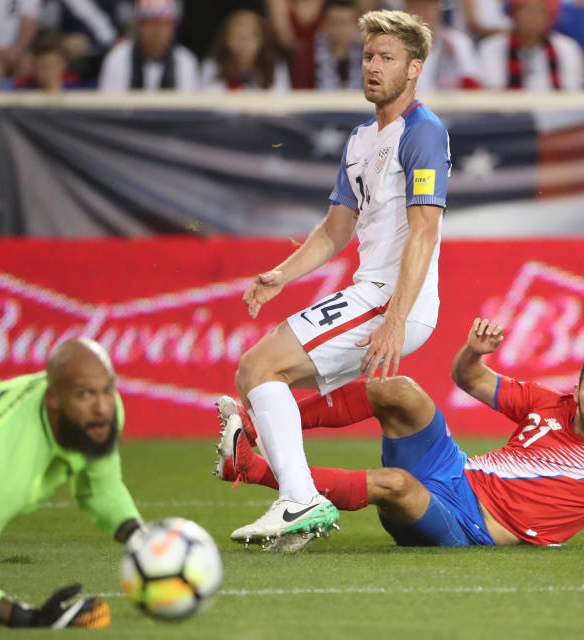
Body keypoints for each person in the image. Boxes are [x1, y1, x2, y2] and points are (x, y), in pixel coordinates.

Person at [216, 319, 584, 551]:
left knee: (395, 484)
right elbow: (465, 379)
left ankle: (253, 466)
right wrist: (473, 352)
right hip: (454, 470)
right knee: (398, 390)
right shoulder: (546, 404)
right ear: (578, 388)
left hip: (470, 526)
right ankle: (275, 419)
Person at [221, 8, 451, 549]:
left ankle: (298, 497)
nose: (373, 66)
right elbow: (334, 230)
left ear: (414, 68)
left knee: (259, 366)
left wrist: (395, 321)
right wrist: (281, 273)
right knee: (259, 377)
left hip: (393, 300)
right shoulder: (360, 140)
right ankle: (298, 503)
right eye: (368, 56)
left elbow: (424, 234)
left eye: (387, 58)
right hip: (370, 293)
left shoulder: (423, 132)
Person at [0, 338, 144, 628]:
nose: (102, 407)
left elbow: (99, 490)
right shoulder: (6, 466)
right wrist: (28, 618)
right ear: (53, 400)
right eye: (85, 394)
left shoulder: (98, 416)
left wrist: (140, 536)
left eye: (107, 390)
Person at [478, 0, 584, 91]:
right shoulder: (491, 47)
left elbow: (572, 89)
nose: (533, 17)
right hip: (506, 114)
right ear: (514, 14)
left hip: (556, 114)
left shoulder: (567, 47)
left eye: (541, 12)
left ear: (550, 18)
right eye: (527, 11)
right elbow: (492, 88)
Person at [98, 0, 201, 92]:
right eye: (149, 23)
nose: (157, 31)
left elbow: (187, 108)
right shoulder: (118, 58)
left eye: (163, 24)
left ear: (173, 27)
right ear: (137, 26)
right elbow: (111, 108)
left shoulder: (185, 61)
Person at [202, 8, 291, 91]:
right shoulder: (213, 67)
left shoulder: (274, 66)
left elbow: (281, 100)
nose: (243, 44)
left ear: (261, 40)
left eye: (248, 38)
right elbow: (210, 101)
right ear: (226, 40)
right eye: (236, 37)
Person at [405, 0, 483, 91]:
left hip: (451, 104)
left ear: (439, 10)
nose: (422, 13)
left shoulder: (457, 42)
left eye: (428, 7)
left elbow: (473, 85)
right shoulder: (396, 47)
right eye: (416, 7)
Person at [313, 0, 365, 90]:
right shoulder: (310, 54)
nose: (340, 29)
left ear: (357, 24)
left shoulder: (369, 55)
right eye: (334, 22)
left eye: (346, 23)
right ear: (324, 24)